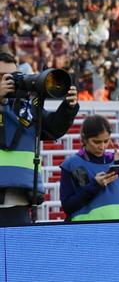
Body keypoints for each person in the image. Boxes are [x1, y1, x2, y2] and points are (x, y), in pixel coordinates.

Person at [0, 65, 79, 227]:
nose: (8, 81)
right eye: (2, 76)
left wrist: (68, 107)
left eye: (12, 76)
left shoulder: (26, 109)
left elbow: (53, 129)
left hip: (18, 199)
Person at [60, 115, 119, 222]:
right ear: (84, 138)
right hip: (92, 226)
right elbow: (68, 206)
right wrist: (95, 185)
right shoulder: (73, 164)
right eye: (96, 142)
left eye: (106, 141)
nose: (102, 147)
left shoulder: (114, 160)